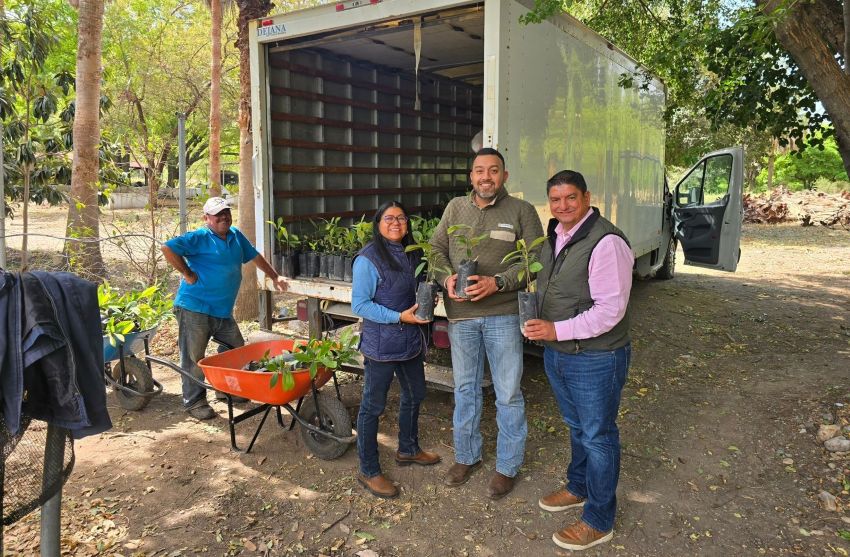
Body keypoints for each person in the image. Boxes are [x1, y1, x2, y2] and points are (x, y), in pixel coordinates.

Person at [524, 170, 634, 551]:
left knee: (598, 436)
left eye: (571, 197)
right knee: (577, 426)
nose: (563, 205)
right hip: (561, 354)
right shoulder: (556, 235)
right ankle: (579, 486)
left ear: (587, 197)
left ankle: (599, 520)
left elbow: (610, 311)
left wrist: (555, 330)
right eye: (555, 199)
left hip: (596, 357)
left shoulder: (606, 242)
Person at [430, 147, 544, 500]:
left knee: (508, 392)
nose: (486, 177)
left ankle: (507, 466)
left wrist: (498, 282)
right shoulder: (455, 209)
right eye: (480, 170)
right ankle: (467, 456)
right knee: (465, 389)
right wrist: (446, 277)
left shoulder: (521, 210)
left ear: (504, 176)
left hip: (503, 315)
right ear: (471, 176)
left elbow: (535, 259)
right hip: (462, 317)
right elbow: (435, 249)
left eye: (493, 170)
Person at [161, 197, 287, 420]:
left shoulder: (235, 235)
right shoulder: (199, 237)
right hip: (194, 308)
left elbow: (254, 256)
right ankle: (194, 402)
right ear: (206, 218)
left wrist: (275, 277)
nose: (223, 217)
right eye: (217, 214)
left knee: (235, 349)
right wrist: (187, 273)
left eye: (226, 212)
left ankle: (225, 389)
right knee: (194, 357)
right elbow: (167, 248)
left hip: (222, 311)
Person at [351, 201, 441, 499]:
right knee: (372, 407)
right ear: (378, 224)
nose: (396, 223)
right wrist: (399, 317)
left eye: (401, 218)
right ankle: (369, 469)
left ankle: (408, 448)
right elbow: (360, 305)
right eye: (389, 218)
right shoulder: (368, 259)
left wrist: (428, 298)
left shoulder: (413, 253)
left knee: (415, 394)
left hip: (410, 341)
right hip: (382, 345)